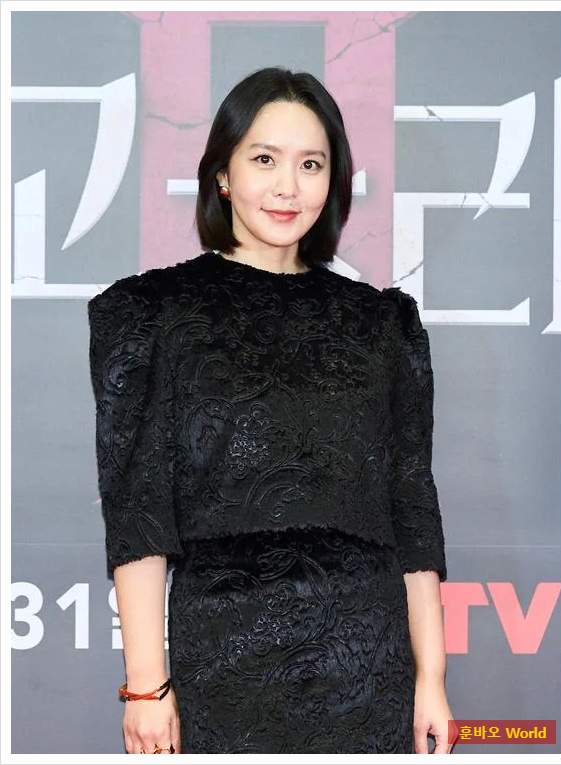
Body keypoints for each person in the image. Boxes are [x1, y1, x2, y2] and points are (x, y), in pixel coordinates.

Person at [88, 66, 455, 755]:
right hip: (223, 660)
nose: (288, 187)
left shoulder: (381, 324)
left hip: (366, 663)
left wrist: (430, 678)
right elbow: (138, 512)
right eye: (264, 159)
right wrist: (145, 686)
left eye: (311, 164)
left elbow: (410, 505)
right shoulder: (154, 314)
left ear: (333, 181)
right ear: (222, 174)